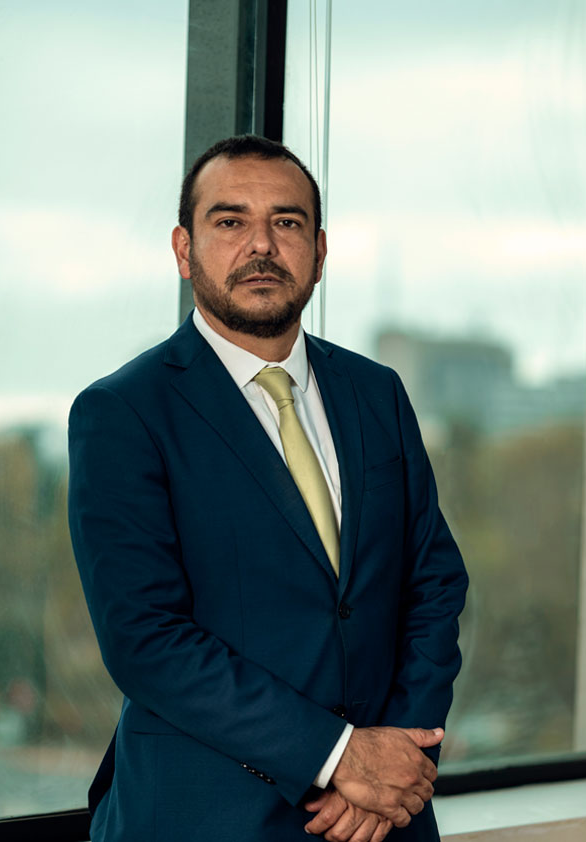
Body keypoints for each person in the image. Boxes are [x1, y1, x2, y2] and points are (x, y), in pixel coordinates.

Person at [68, 135, 468, 842]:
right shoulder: (124, 412)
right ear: (184, 250)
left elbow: (433, 581)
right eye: (230, 221)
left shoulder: (376, 392)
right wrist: (339, 756)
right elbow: (145, 639)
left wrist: (396, 758)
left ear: (319, 250)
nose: (261, 245)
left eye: (286, 222)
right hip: (203, 818)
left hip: (384, 821)